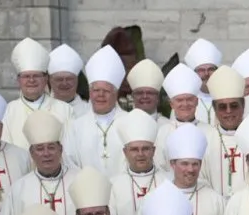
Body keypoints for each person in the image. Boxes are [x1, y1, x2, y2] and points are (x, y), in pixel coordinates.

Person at [134, 124, 225, 215]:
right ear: (172, 164)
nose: (190, 169)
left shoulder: (216, 201)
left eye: (195, 164)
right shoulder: (153, 200)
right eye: (185, 164)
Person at [64, 46, 130, 175]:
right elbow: (70, 163)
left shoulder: (129, 122)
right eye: (96, 90)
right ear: (90, 93)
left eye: (106, 91)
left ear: (115, 94)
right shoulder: (76, 126)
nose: (100, 95)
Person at [0, 38, 74, 147]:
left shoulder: (65, 110)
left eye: (36, 75)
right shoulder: (8, 112)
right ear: (19, 80)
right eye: (26, 76)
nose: (31, 80)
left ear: (45, 79)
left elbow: (71, 148)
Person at [109, 110, 170, 215]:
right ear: (125, 152)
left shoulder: (168, 181)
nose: (140, 154)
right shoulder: (113, 186)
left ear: (153, 151)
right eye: (134, 149)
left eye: (145, 149)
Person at [204, 66, 249, 197]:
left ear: (243, 106)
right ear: (214, 109)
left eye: (233, 105)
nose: (228, 111)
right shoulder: (206, 140)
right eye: (222, 107)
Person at [182, 38, 222, 125]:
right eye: (201, 70)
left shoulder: (226, 97)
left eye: (211, 69)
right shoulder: (185, 102)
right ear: (194, 73)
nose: (206, 73)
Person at [47, 44, 88, 119]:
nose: (64, 83)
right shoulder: (42, 111)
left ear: (77, 80)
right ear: (50, 81)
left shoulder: (89, 111)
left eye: (69, 79)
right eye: (59, 79)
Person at [127, 60, 169, 124]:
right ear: (133, 96)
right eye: (140, 93)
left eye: (150, 93)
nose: (145, 96)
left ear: (157, 97)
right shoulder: (122, 124)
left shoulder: (168, 127)